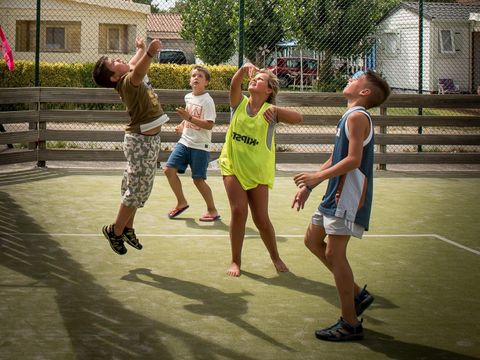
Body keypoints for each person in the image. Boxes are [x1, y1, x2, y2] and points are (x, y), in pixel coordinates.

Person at [292, 69, 391, 341]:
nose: (351, 77)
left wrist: (317, 176)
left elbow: (353, 160)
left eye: (357, 76)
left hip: (347, 195)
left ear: (365, 92)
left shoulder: (359, 117)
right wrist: (310, 185)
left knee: (336, 255)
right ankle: (357, 294)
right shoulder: (349, 115)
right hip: (333, 193)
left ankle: (350, 323)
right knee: (312, 241)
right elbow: (337, 157)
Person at [218, 63, 303, 277]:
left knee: (261, 219)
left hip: (258, 172)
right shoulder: (239, 104)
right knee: (238, 211)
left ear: (269, 91)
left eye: (260, 79)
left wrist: (277, 110)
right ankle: (235, 260)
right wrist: (242, 70)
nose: (254, 80)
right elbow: (234, 84)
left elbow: (298, 118)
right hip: (232, 165)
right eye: (253, 79)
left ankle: (275, 256)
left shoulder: (270, 112)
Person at [92, 37, 169, 255]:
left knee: (136, 187)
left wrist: (140, 50)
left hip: (147, 141)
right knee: (137, 190)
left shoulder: (125, 76)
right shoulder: (128, 82)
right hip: (141, 142)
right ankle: (115, 230)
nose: (118, 58)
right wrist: (150, 53)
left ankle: (127, 227)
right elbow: (138, 70)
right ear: (116, 76)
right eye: (113, 61)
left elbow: (133, 64)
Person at [164, 66, 220, 222]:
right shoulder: (188, 97)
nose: (196, 77)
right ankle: (181, 202)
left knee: (198, 180)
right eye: (194, 75)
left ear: (206, 82)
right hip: (184, 142)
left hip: (200, 147)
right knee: (169, 170)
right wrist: (183, 124)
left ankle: (212, 210)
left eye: (200, 76)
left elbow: (209, 125)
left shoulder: (208, 101)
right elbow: (189, 117)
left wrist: (188, 118)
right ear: (190, 80)